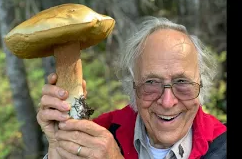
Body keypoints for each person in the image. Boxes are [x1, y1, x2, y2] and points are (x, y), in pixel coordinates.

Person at [37, 17, 226, 159]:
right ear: (132, 86)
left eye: (182, 82)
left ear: (201, 84)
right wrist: (58, 148)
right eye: (151, 83)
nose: (168, 102)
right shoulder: (98, 134)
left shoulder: (222, 145)